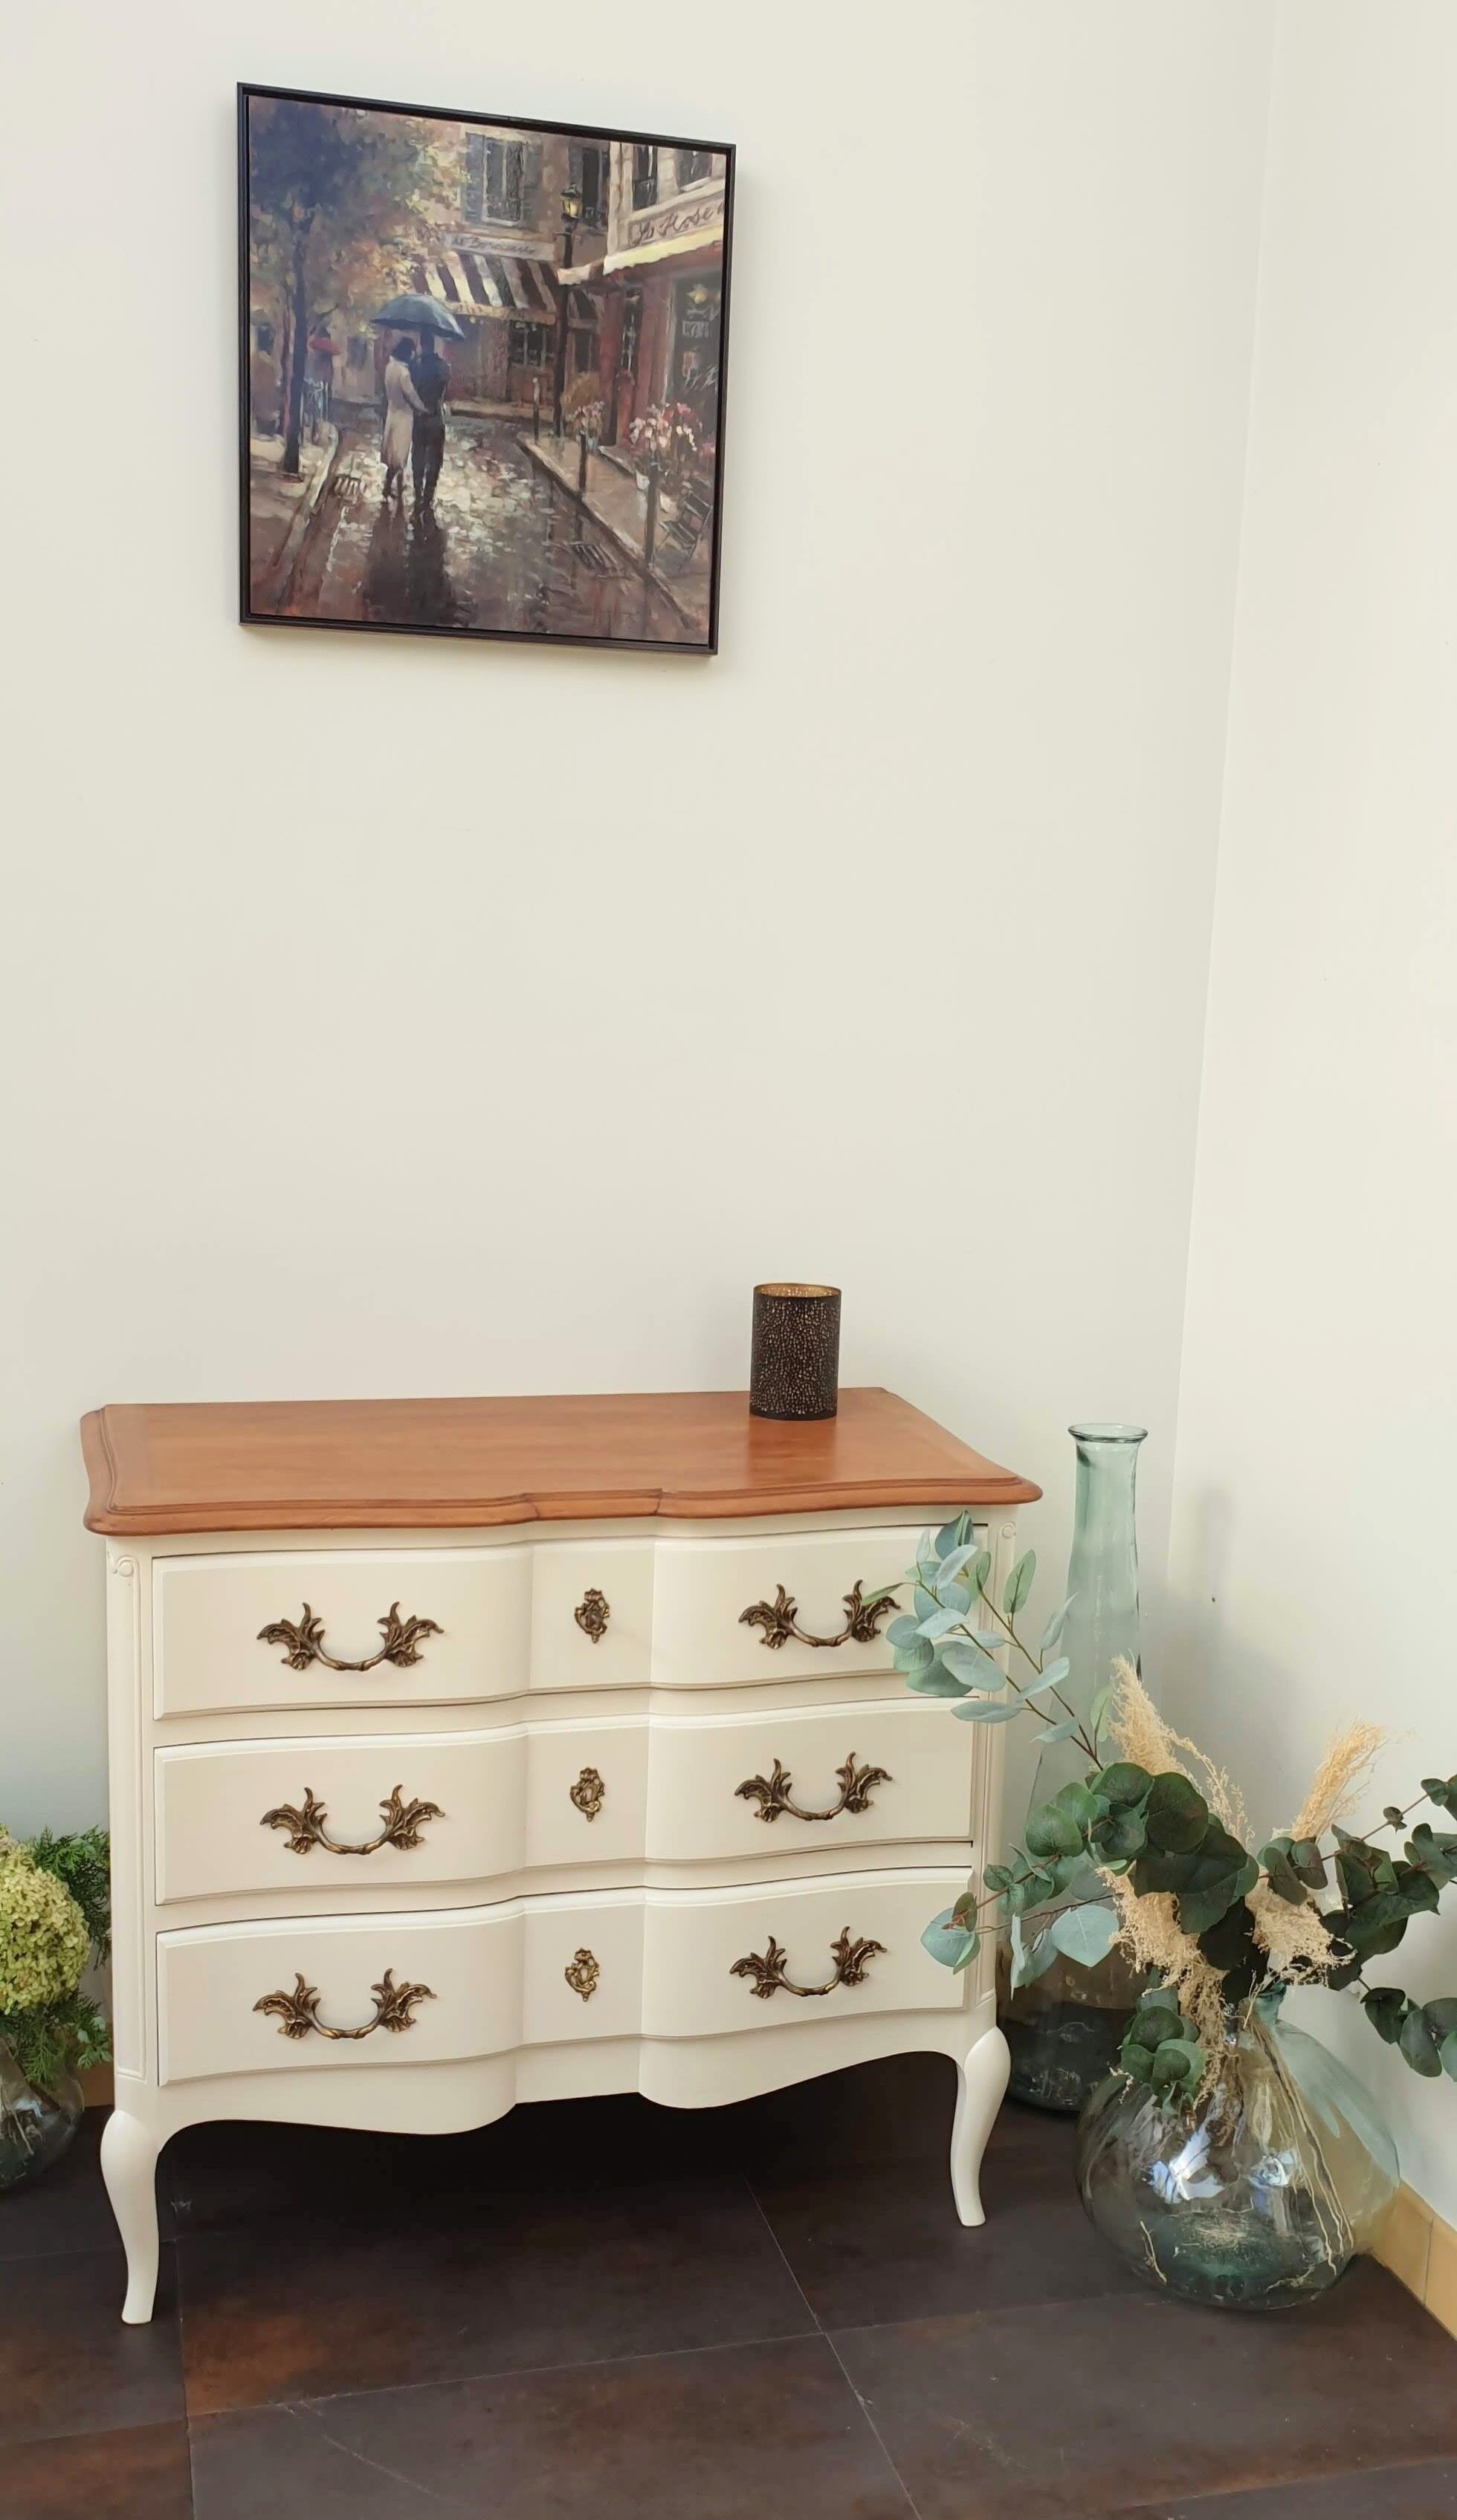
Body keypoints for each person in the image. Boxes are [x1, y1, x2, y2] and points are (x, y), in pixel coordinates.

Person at [408, 334, 450, 511]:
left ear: (422, 346)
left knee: (418, 453)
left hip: (419, 417)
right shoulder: (444, 367)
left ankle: (418, 492)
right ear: (433, 346)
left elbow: (411, 390)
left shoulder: (415, 366)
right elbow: (444, 391)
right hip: (436, 416)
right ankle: (429, 494)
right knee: (435, 456)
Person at [380, 337, 423, 503]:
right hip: (404, 417)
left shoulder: (390, 367)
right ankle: (387, 487)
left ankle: (398, 485)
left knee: (394, 452)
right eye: (412, 351)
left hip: (392, 413)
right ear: (408, 352)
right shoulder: (404, 373)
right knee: (398, 456)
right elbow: (411, 395)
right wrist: (422, 409)